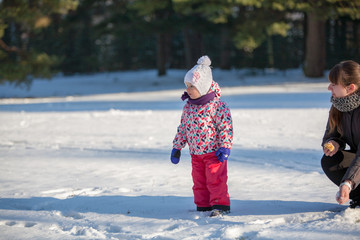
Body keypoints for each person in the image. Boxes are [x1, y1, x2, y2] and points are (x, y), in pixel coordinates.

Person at [170, 55, 233, 217]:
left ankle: (220, 205)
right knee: (198, 182)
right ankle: (203, 205)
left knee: (215, 180)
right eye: (187, 85)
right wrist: (177, 146)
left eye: (192, 86)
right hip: (195, 154)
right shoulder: (188, 107)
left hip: (214, 153)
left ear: (204, 87)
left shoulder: (217, 106)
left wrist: (225, 146)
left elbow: (225, 127)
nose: (188, 89)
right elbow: (183, 128)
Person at [321, 60, 360, 208]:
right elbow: (331, 133)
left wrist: (348, 182)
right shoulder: (338, 105)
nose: (329, 87)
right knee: (330, 161)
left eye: (334, 84)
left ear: (350, 88)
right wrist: (334, 142)